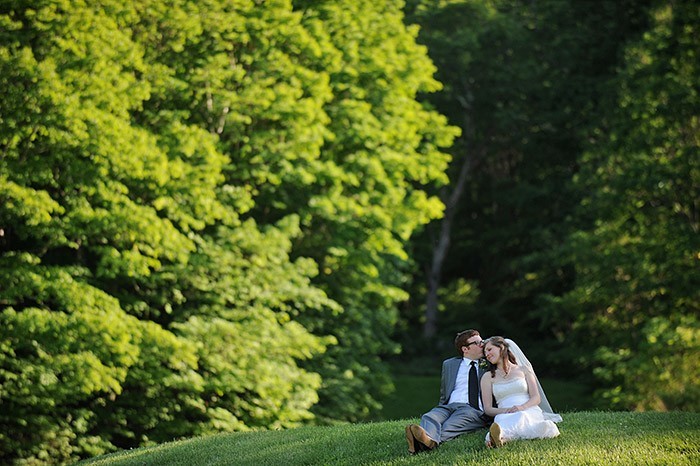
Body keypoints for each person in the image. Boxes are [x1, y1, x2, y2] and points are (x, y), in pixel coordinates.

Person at [405, 329, 491, 454]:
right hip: (448, 406)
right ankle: (425, 441)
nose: (482, 345)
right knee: (429, 416)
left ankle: (420, 442)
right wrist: (442, 407)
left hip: (471, 409)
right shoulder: (449, 364)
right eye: (477, 343)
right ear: (465, 349)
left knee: (450, 425)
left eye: (482, 341)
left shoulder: (489, 364)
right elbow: (444, 390)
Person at [480, 336, 562, 447]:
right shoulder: (487, 377)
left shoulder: (524, 370)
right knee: (503, 421)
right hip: (504, 413)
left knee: (523, 416)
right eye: (485, 353)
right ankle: (499, 437)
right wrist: (506, 411)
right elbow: (488, 409)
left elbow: (536, 398)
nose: (487, 354)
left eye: (489, 349)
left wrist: (521, 407)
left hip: (528, 408)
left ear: (502, 347)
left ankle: (502, 439)